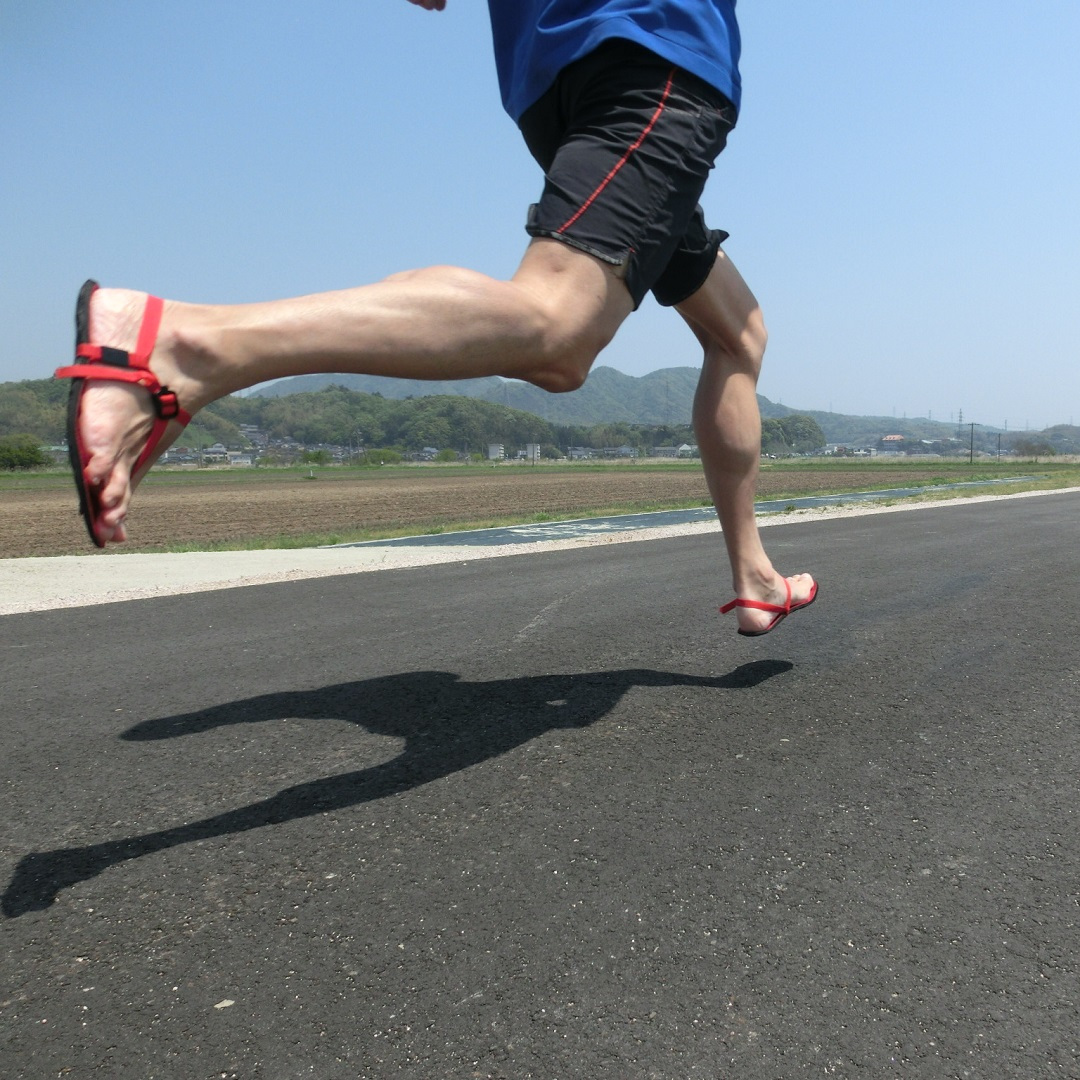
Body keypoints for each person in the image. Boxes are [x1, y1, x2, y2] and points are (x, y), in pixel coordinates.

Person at [55, 0, 816, 637]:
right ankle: (188, 345)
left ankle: (754, 574)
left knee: (738, 332)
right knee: (559, 333)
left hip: (555, 82)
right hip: (658, 49)